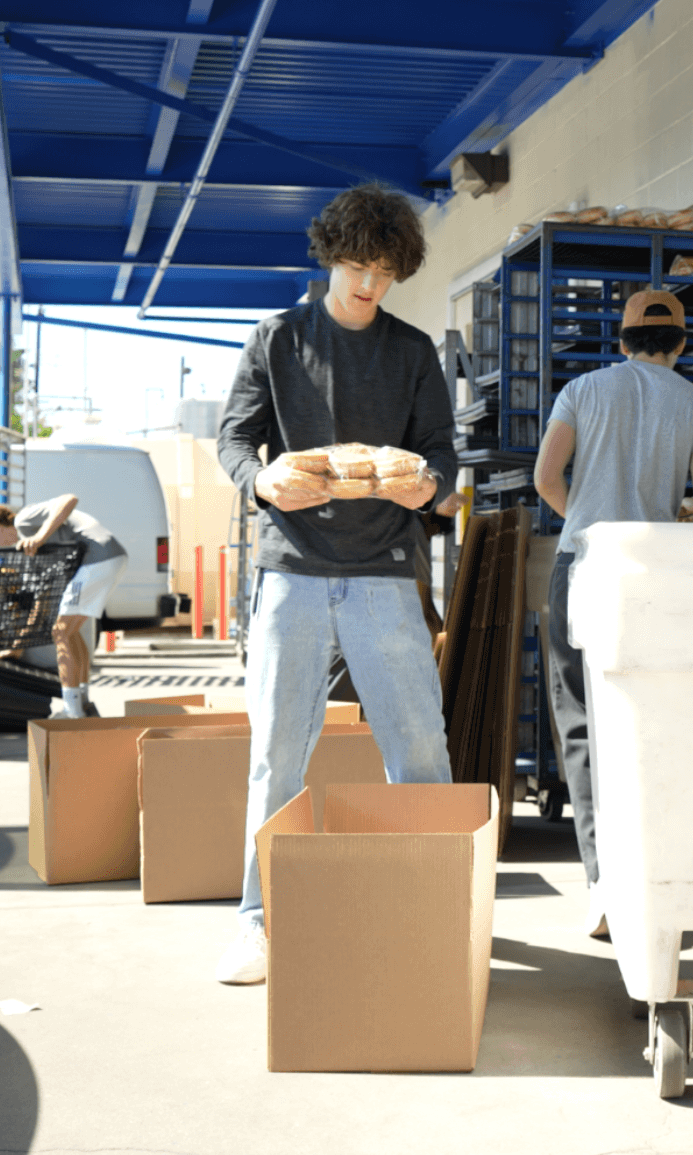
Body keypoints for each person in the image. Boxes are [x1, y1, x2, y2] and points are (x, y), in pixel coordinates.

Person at [212, 183, 457, 985]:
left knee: (419, 748)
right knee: (277, 754)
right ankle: (256, 922)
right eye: (356, 266)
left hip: (387, 570)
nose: (368, 286)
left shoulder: (414, 353)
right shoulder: (277, 339)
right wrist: (261, 482)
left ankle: (428, 912)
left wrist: (426, 487)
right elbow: (234, 441)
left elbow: (442, 457)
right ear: (328, 258)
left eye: (384, 273)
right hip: (291, 571)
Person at [533, 290, 693, 935]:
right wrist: (678, 511)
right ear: (680, 343)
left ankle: (603, 885)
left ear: (620, 341)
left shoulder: (581, 392)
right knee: (655, 717)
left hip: (583, 565)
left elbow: (545, 477)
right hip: (655, 574)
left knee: (582, 721)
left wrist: (585, 519)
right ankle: (661, 876)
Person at [0, 495, 127, 719]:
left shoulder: (23, 521)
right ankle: (82, 701)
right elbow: (42, 597)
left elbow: (69, 499)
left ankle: (72, 711)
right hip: (109, 557)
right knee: (70, 632)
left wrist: (39, 537)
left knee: (61, 632)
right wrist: (18, 647)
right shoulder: (37, 548)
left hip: (98, 558)